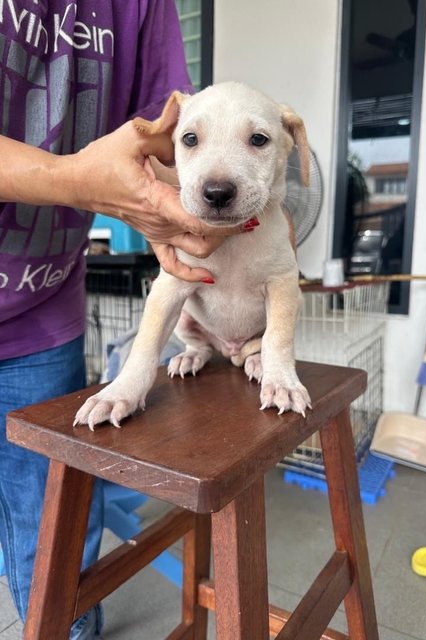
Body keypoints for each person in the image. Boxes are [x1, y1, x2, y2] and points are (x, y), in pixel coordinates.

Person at [0, 2, 250, 638]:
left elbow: (166, 133)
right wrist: (68, 179)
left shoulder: (143, 6)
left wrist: (177, 209)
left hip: (41, 305)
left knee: (54, 529)